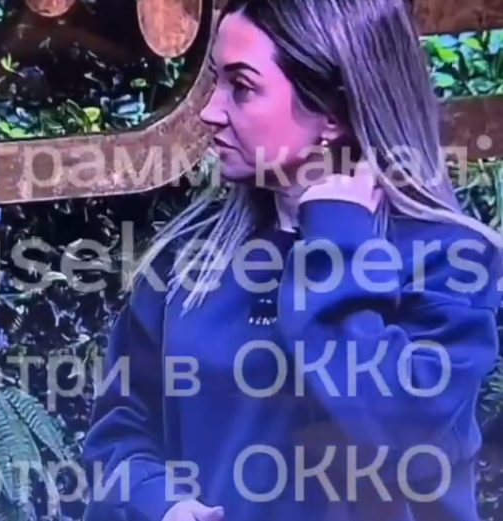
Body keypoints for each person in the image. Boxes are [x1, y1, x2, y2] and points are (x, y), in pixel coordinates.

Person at [80, 1, 503, 521]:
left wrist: (335, 241)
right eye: (215, 81)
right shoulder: (188, 256)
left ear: (333, 111)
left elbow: (402, 432)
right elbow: (120, 434)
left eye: (241, 86)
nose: (210, 110)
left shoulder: (448, 259)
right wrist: (162, 506)